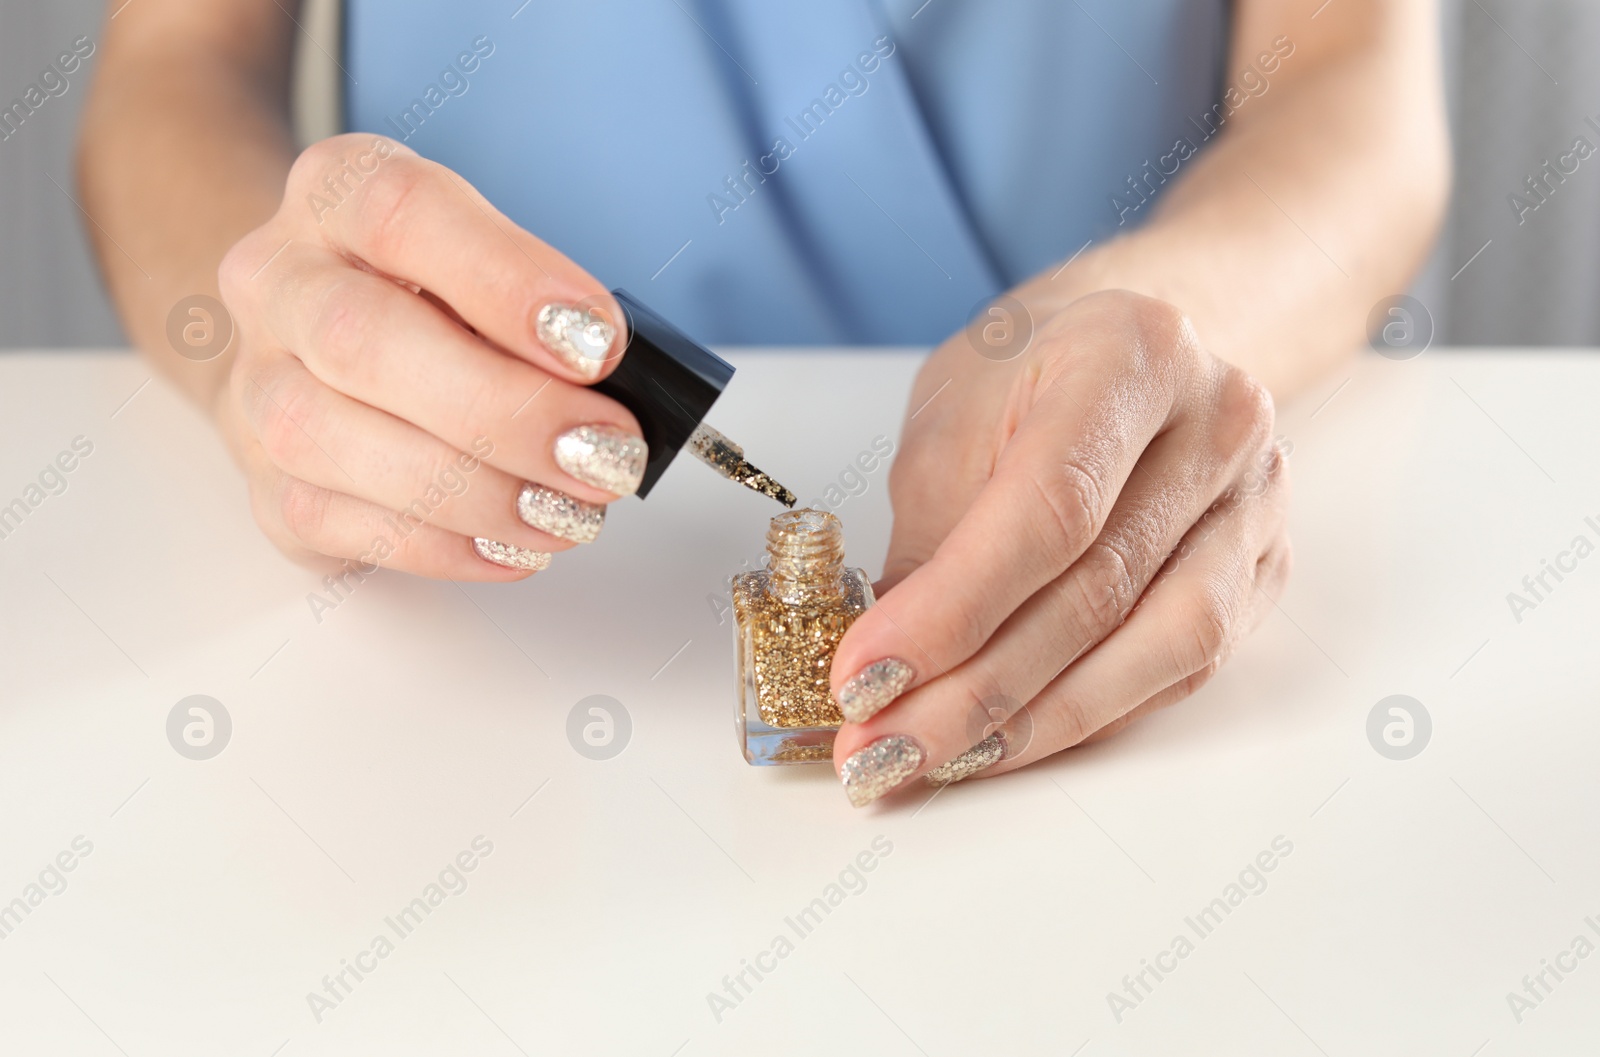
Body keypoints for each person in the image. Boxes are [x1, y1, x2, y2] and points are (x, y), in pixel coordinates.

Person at [76, 0, 1448, 800]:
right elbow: (173, 69)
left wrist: (1184, 326)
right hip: (450, 682)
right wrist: (276, 346)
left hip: (1101, 535)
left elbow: (1355, 84)